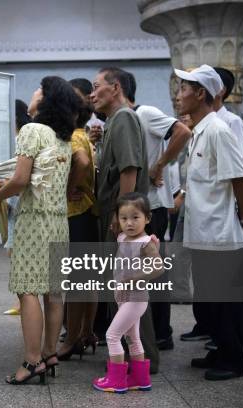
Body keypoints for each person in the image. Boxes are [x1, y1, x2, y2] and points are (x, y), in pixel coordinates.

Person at [175, 64, 243, 381]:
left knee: (229, 304)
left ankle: (234, 361)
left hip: (221, 235)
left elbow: (240, 179)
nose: (179, 94)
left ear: (201, 94)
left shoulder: (219, 131)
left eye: (185, 88)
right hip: (204, 233)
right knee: (213, 301)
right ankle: (220, 351)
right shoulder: (201, 130)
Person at [0, 76, 79, 384]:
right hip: (59, 221)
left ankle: (31, 363)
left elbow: (19, 180)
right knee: (55, 290)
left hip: (33, 220)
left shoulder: (32, 130)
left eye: (38, 89)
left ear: (46, 99)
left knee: (28, 288)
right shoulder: (63, 138)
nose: (33, 93)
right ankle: (49, 352)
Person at [90, 67, 160, 373]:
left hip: (123, 219)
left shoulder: (125, 118)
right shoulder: (113, 122)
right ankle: (133, 358)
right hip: (116, 215)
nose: (92, 94)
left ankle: (143, 362)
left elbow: (129, 170)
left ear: (115, 88)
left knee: (132, 292)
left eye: (97, 87)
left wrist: (124, 220)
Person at [123, 70, 193, 351]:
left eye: (97, 87)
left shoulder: (145, 113)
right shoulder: (122, 121)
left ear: (118, 89)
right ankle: (147, 332)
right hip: (138, 208)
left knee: (153, 272)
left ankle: (161, 333)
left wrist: (159, 165)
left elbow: (182, 131)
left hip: (152, 208)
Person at [93, 192, 162, 393]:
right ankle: (140, 379)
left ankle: (116, 380)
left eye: (135, 218)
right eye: (124, 218)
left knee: (112, 336)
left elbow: (158, 268)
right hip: (123, 298)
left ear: (147, 218)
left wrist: (133, 279)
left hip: (136, 298)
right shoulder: (123, 236)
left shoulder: (146, 242)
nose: (129, 223)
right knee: (133, 338)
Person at [58, 78, 99, 360]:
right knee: (88, 280)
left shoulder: (72, 136)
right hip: (88, 212)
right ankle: (86, 332)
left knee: (76, 282)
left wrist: (68, 187)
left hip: (75, 214)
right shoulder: (82, 133)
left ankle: (71, 339)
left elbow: (82, 163)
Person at [0, 99, 32, 316]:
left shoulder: (23, 139)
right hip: (16, 204)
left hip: (20, 205)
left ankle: (25, 304)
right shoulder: (20, 138)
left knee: (19, 255)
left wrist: (2, 189)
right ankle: (22, 303)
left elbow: (21, 176)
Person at [213, 67, 243, 161]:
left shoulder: (232, 121)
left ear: (221, 90)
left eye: (209, 84)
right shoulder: (200, 121)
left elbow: (239, 160)